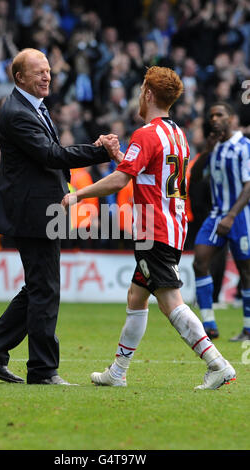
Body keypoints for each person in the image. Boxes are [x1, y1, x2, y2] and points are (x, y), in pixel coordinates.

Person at [62, 66, 236, 390]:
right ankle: (117, 371)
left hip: (153, 228)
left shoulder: (146, 134)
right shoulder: (178, 135)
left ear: (148, 94)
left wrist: (79, 194)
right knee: (136, 296)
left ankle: (218, 364)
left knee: (171, 302)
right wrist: (118, 155)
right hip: (171, 224)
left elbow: (122, 180)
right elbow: (144, 173)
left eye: (141, 89)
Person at [0, 48, 120, 385]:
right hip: (32, 213)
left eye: (48, 70)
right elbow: (50, 155)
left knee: (38, 288)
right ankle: (42, 369)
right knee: (45, 290)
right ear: (19, 77)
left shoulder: (31, 107)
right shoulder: (17, 113)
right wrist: (99, 150)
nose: (47, 76)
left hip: (40, 211)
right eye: (39, 71)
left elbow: (50, 156)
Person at [191, 102, 250, 341]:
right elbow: (194, 178)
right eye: (212, 115)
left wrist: (232, 215)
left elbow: (249, 185)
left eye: (220, 115)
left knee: (246, 272)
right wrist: (206, 150)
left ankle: (248, 328)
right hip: (216, 215)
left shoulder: (244, 146)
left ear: (232, 118)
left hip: (240, 216)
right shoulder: (213, 148)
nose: (214, 118)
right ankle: (208, 324)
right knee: (199, 262)